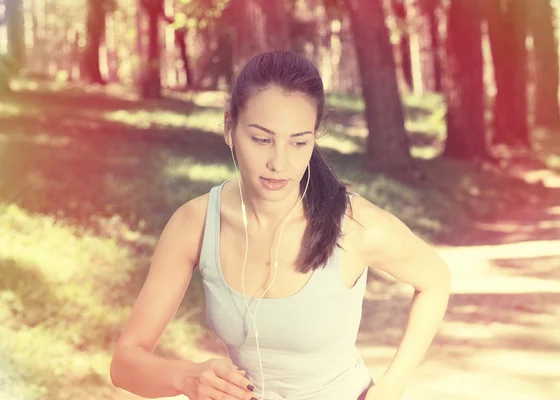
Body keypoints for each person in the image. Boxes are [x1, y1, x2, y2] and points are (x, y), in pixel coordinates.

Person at [109, 51, 452, 400]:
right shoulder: (195, 224)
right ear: (229, 128)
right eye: (261, 139)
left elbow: (436, 280)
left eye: (299, 142)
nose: (279, 162)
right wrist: (187, 378)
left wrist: (390, 390)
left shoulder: (354, 224)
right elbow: (125, 363)